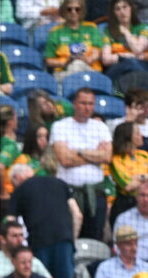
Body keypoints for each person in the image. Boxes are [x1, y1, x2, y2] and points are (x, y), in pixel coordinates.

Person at [51, 88, 112, 241]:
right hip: (69, 194)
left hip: (96, 193)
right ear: (75, 104)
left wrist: (77, 151)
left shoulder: (101, 127)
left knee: (95, 239)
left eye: (90, 104)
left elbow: (107, 156)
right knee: (67, 238)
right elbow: (64, 159)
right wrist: (94, 155)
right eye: (83, 103)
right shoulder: (60, 126)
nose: (87, 107)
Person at [109, 123, 148, 224]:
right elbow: (128, 185)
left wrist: (140, 177)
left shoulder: (144, 155)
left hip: (146, 202)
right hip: (125, 204)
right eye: (137, 133)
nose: (141, 136)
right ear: (128, 137)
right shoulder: (116, 160)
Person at [45, 0, 104, 75]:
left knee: (78, 64)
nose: (73, 12)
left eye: (77, 9)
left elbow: (97, 52)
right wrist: (66, 62)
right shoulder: (55, 32)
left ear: (82, 11)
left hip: (91, 71)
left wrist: (87, 59)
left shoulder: (91, 28)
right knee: (76, 65)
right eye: (69, 9)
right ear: (64, 11)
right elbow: (49, 60)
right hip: (64, 72)